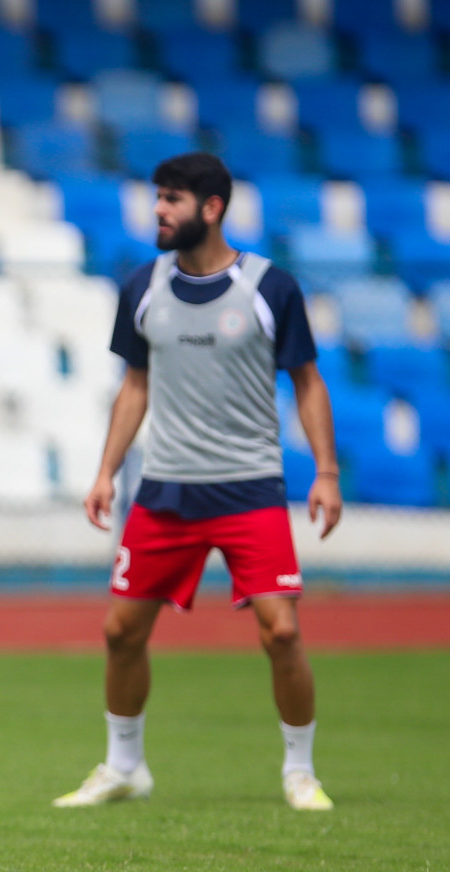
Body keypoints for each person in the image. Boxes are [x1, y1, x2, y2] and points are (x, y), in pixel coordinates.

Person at [53, 152, 343, 811]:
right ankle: (125, 766)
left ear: (212, 209)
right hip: (167, 491)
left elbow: (308, 383)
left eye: (173, 199)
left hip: (249, 489)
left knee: (283, 633)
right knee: (121, 631)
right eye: (158, 197)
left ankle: (300, 771)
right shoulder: (142, 287)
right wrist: (104, 471)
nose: (159, 210)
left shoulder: (272, 289)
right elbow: (135, 385)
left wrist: (326, 472)